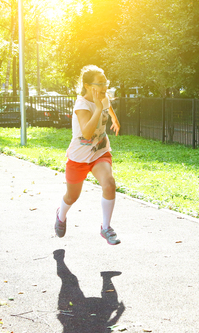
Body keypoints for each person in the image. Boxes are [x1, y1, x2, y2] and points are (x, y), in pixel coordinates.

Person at [54, 65, 121, 245]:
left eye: (105, 82)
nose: (104, 86)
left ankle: (106, 227)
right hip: (79, 157)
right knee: (72, 196)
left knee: (109, 183)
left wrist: (115, 119)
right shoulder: (82, 105)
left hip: (99, 152)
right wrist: (98, 109)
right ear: (87, 85)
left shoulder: (103, 97)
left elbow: (109, 106)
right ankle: (60, 215)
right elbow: (88, 133)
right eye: (100, 83)